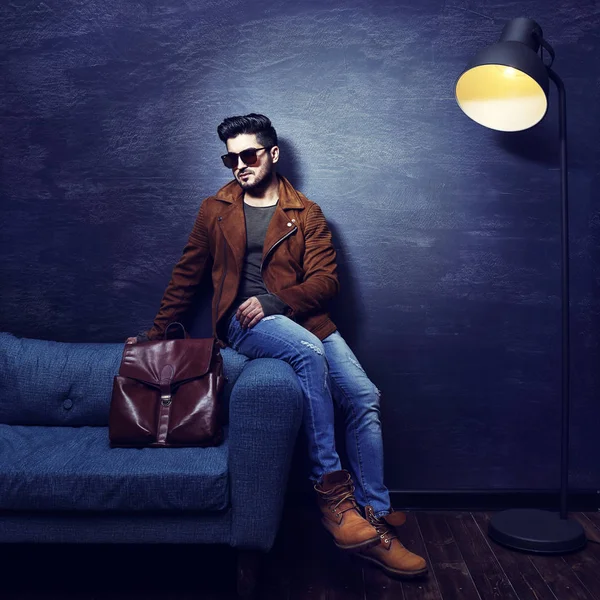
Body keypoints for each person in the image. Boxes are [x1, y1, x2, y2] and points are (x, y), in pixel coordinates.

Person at [127, 114, 427, 578]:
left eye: (248, 155)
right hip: (244, 323)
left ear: (272, 154)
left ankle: (374, 508)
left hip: (303, 319)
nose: (239, 166)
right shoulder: (216, 210)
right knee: (306, 354)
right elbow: (186, 277)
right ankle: (333, 497)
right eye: (231, 158)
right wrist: (156, 335)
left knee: (365, 396)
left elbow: (327, 282)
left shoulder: (307, 213)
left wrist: (277, 300)